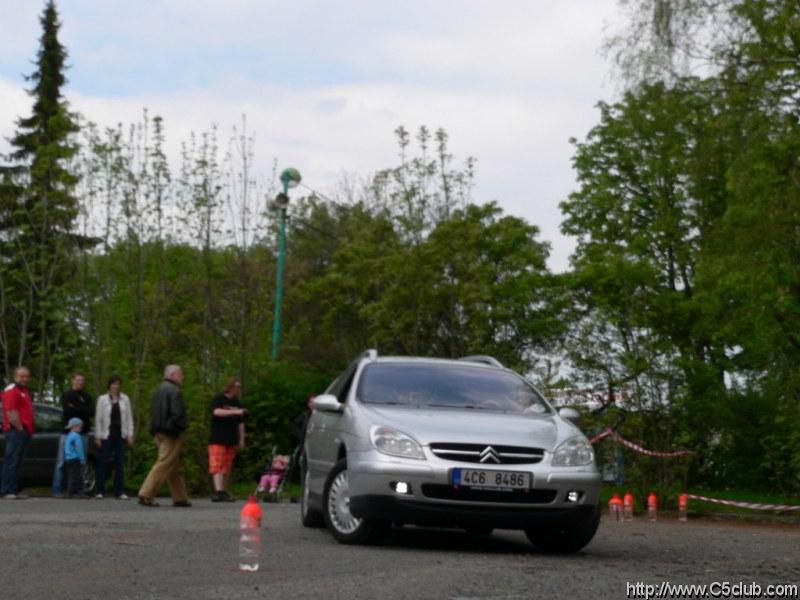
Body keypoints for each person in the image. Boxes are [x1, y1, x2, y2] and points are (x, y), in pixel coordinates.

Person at [138, 365, 190, 507]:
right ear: (173, 375)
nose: (182, 377)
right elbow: (177, 414)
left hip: (158, 431)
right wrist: (183, 426)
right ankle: (146, 493)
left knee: (173, 465)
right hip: (171, 433)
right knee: (164, 463)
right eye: (180, 374)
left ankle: (180, 497)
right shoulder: (175, 391)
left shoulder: (157, 390)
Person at [52, 372, 94, 497]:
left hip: (84, 434)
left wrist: (76, 409)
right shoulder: (67, 395)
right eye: (78, 380)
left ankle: (79, 490)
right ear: (72, 381)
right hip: (67, 434)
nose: (80, 382)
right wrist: (82, 410)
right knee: (62, 462)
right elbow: (68, 411)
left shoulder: (87, 396)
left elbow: (91, 412)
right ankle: (57, 489)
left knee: (81, 461)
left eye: (82, 380)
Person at [94, 375, 134, 499]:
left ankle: (120, 491)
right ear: (109, 385)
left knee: (120, 462)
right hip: (106, 434)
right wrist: (97, 436)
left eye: (118, 384)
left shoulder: (125, 399)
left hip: (120, 434)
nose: (115, 386)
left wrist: (130, 435)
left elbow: (129, 418)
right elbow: (98, 419)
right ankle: (100, 490)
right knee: (103, 462)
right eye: (113, 384)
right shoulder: (102, 399)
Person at [208, 379, 246, 502]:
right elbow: (216, 412)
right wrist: (234, 411)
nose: (238, 390)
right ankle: (218, 491)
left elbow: (241, 423)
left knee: (226, 466)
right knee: (217, 465)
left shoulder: (237, 402)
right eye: (237, 387)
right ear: (230, 387)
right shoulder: (219, 399)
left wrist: (242, 439)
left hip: (231, 439)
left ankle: (223, 490)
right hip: (218, 438)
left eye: (240, 387)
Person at [1, 366, 34, 500]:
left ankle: (14, 490)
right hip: (16, 431)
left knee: (18, 462)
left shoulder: (24, 391)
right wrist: (20, 429)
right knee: (12, 462)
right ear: (15, 377)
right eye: (21, 376)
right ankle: (6, 490)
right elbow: (10, 411)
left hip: (24, 431)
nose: (24, 379)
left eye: (26, 376)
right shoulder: (11, 390)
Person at [64, 417, 87, 498]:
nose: (81, 428)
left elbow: (66, 448)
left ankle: (69, 492)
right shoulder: (77, 436)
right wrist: (82, 458)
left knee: (71, 475)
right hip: (75, 459)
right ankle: (79, 492)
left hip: (69, 458)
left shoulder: (68, 436)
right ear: (74, 426)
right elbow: (79, 448)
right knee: (78, 476)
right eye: (80, 427)